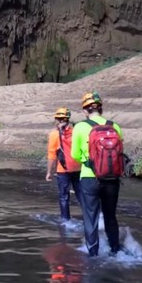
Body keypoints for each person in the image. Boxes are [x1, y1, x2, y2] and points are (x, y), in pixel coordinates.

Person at [71, 91, 124, 257]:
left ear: (85, 111)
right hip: (112, 179)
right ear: (100, 109)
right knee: (110, 216)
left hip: (89, 178)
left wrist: (88, 161)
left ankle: (93, 254)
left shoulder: (80, 127)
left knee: (90, 217)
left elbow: (74, 154)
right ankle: (116, 251)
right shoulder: (114, 126)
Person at [46, 107, 83, 222]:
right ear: (68, 119)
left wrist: (49, 172)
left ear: (57, 119)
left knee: (64, 197)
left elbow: (52, 155)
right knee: (81, 196)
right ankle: (91, 217)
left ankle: (65, 221)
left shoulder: (54, 135)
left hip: (63, 170)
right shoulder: (75, 131)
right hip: (78, 168)